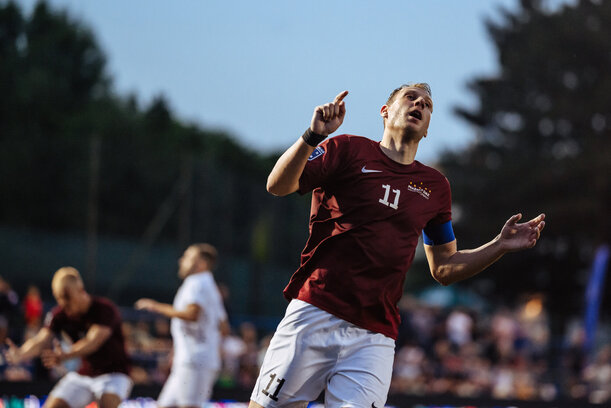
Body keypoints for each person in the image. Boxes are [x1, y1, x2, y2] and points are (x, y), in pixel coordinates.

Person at [249, 84, 546, 408]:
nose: (420, 103)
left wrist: (498, 245)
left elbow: (443, 268)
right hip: (317, 311)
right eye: (411, 97)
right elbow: (277, 185)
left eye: (427, 104)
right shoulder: (346, 149)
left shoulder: (435, 187)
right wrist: (312, 136)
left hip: (374, 336)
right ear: (385, 111)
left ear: (428, 127)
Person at [4, 267, 132, 408]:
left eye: (67, 298)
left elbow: (92, 342)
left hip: (114, 374)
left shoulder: (104, 309)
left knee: (108, 403)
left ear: (80, 290)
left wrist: (66, 355)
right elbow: (41, 339)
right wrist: (21, 353)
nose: (64, 303)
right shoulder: (60, 314)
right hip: (84, 375)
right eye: (59, 298)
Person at [135, 243, 229, 408]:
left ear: (201, 263)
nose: (181, 260)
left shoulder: (197, 282)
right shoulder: (209, 285)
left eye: (187, 257)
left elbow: (192, 314)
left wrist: (155, 306)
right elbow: (224, 326)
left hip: (194, 360)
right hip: (193, 359)